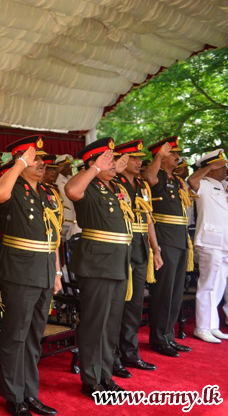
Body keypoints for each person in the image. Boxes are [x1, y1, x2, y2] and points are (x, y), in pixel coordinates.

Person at [0, 136, 61, 416]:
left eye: (42, 159)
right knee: (16, 335)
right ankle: (13, 396)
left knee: (34, 337)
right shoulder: (12, 185)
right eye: (36, 158)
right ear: (20, 160)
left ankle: (30, 393)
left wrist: (57, 272)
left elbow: (54, 236)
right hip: (20, 271)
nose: (42, 163)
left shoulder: (47, 192)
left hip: (45, 269)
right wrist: (19, 164)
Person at [65, 138, 133, 398]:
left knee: (111, 324)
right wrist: (95, 168)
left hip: (117, 263)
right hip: (97, 265)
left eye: (113, 161)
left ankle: (105, 375)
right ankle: (91, 379)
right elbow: (71, 190)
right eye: (108, 160)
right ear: (93, 163)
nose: (113, 165)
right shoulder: (89, 185)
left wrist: (115, 168)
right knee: (95, 324)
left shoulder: (113, 187)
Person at [110, 140, 162, 378]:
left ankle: (130, 353)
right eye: (134, 158)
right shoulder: (113, 182)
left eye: (140, 158)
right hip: (120, 250)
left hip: (140, 250)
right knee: (116, 307)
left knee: (134, 306)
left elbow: (149, 219)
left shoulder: (142, 185)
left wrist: (156, 249)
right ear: (121, 159)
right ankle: (112, 357)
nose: (139, 162)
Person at [143, 137, 192, 357]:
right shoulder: (158, 176)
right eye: (172, 153)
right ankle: (159, 338)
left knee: (176, 292)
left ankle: (169, 335)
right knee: (164, 292)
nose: (177, 156)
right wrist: (159, 156)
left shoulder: (178, 180)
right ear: (162, 157)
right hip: (165, 239)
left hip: (180, 239)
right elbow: (149, 177)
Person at [187, 149, 228, 343]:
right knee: (207, 285)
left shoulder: (223, 186)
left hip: (224, 243)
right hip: (210, 242)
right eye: (222, 166)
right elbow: (192, 180)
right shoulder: (202, 183)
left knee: (219, 286)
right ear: (211, 168)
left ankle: (212, 325)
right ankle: (202, 327)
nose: (226, 170)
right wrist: (210, 167)